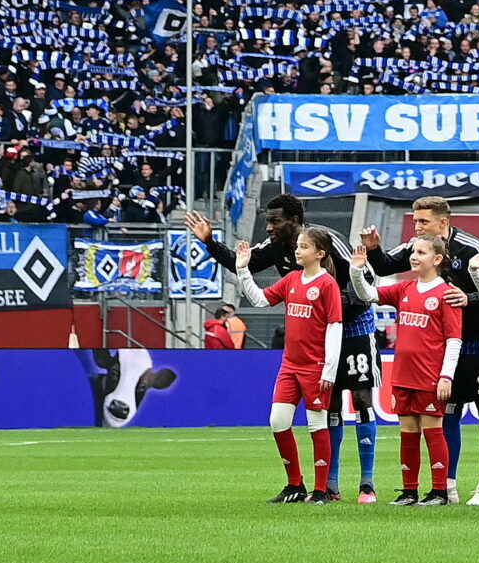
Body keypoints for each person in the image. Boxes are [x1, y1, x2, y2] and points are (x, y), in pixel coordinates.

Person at [192, 199, 380, 500]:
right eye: (268, 221)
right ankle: (328, 484)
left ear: (294, 220)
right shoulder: (279, 247)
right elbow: (246, 264)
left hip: (354, 324)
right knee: (329, 408)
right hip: (318, 334)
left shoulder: (326, 242)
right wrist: (211, 243)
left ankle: (367, 483)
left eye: (275, 221)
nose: (269, 227)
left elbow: (367, 282)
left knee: (360, 398)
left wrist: (329, 305)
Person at [361, 196, 479, 505]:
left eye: (423, 222)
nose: (417, 228)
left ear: (443, 222)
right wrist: (374, 250)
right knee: (447, 416)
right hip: (448, 350)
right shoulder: (420, 245)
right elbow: (388, 264)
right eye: (414, 222)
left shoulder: (471, 248)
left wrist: (470, 300)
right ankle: (448, 487)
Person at [231, 225, 343, 504]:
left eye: (304, 247)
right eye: (297, 246)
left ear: (320, 253)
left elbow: (335, 326)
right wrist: (243, 269)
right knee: (278, 421)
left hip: (316, 366)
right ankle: (295, 485)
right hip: (289, 366)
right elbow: (259, 300)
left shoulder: (327, 284)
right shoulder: (292, 279)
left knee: (317, 425)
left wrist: (329, 369)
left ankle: (321, 491)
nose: (297, 250)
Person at [352, 236, 462, 507]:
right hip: (403, 375)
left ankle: (439, 492)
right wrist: (357, 270)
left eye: (421, 252)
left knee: (433, 430)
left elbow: (454, 340)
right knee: (408, 432)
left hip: (430, 376)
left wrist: (446, 375)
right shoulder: (405, 289)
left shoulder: (446, 293)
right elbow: (368, 294)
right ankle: (409, 491)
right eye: (413, 252)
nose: (414, 256)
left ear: (437, 259)